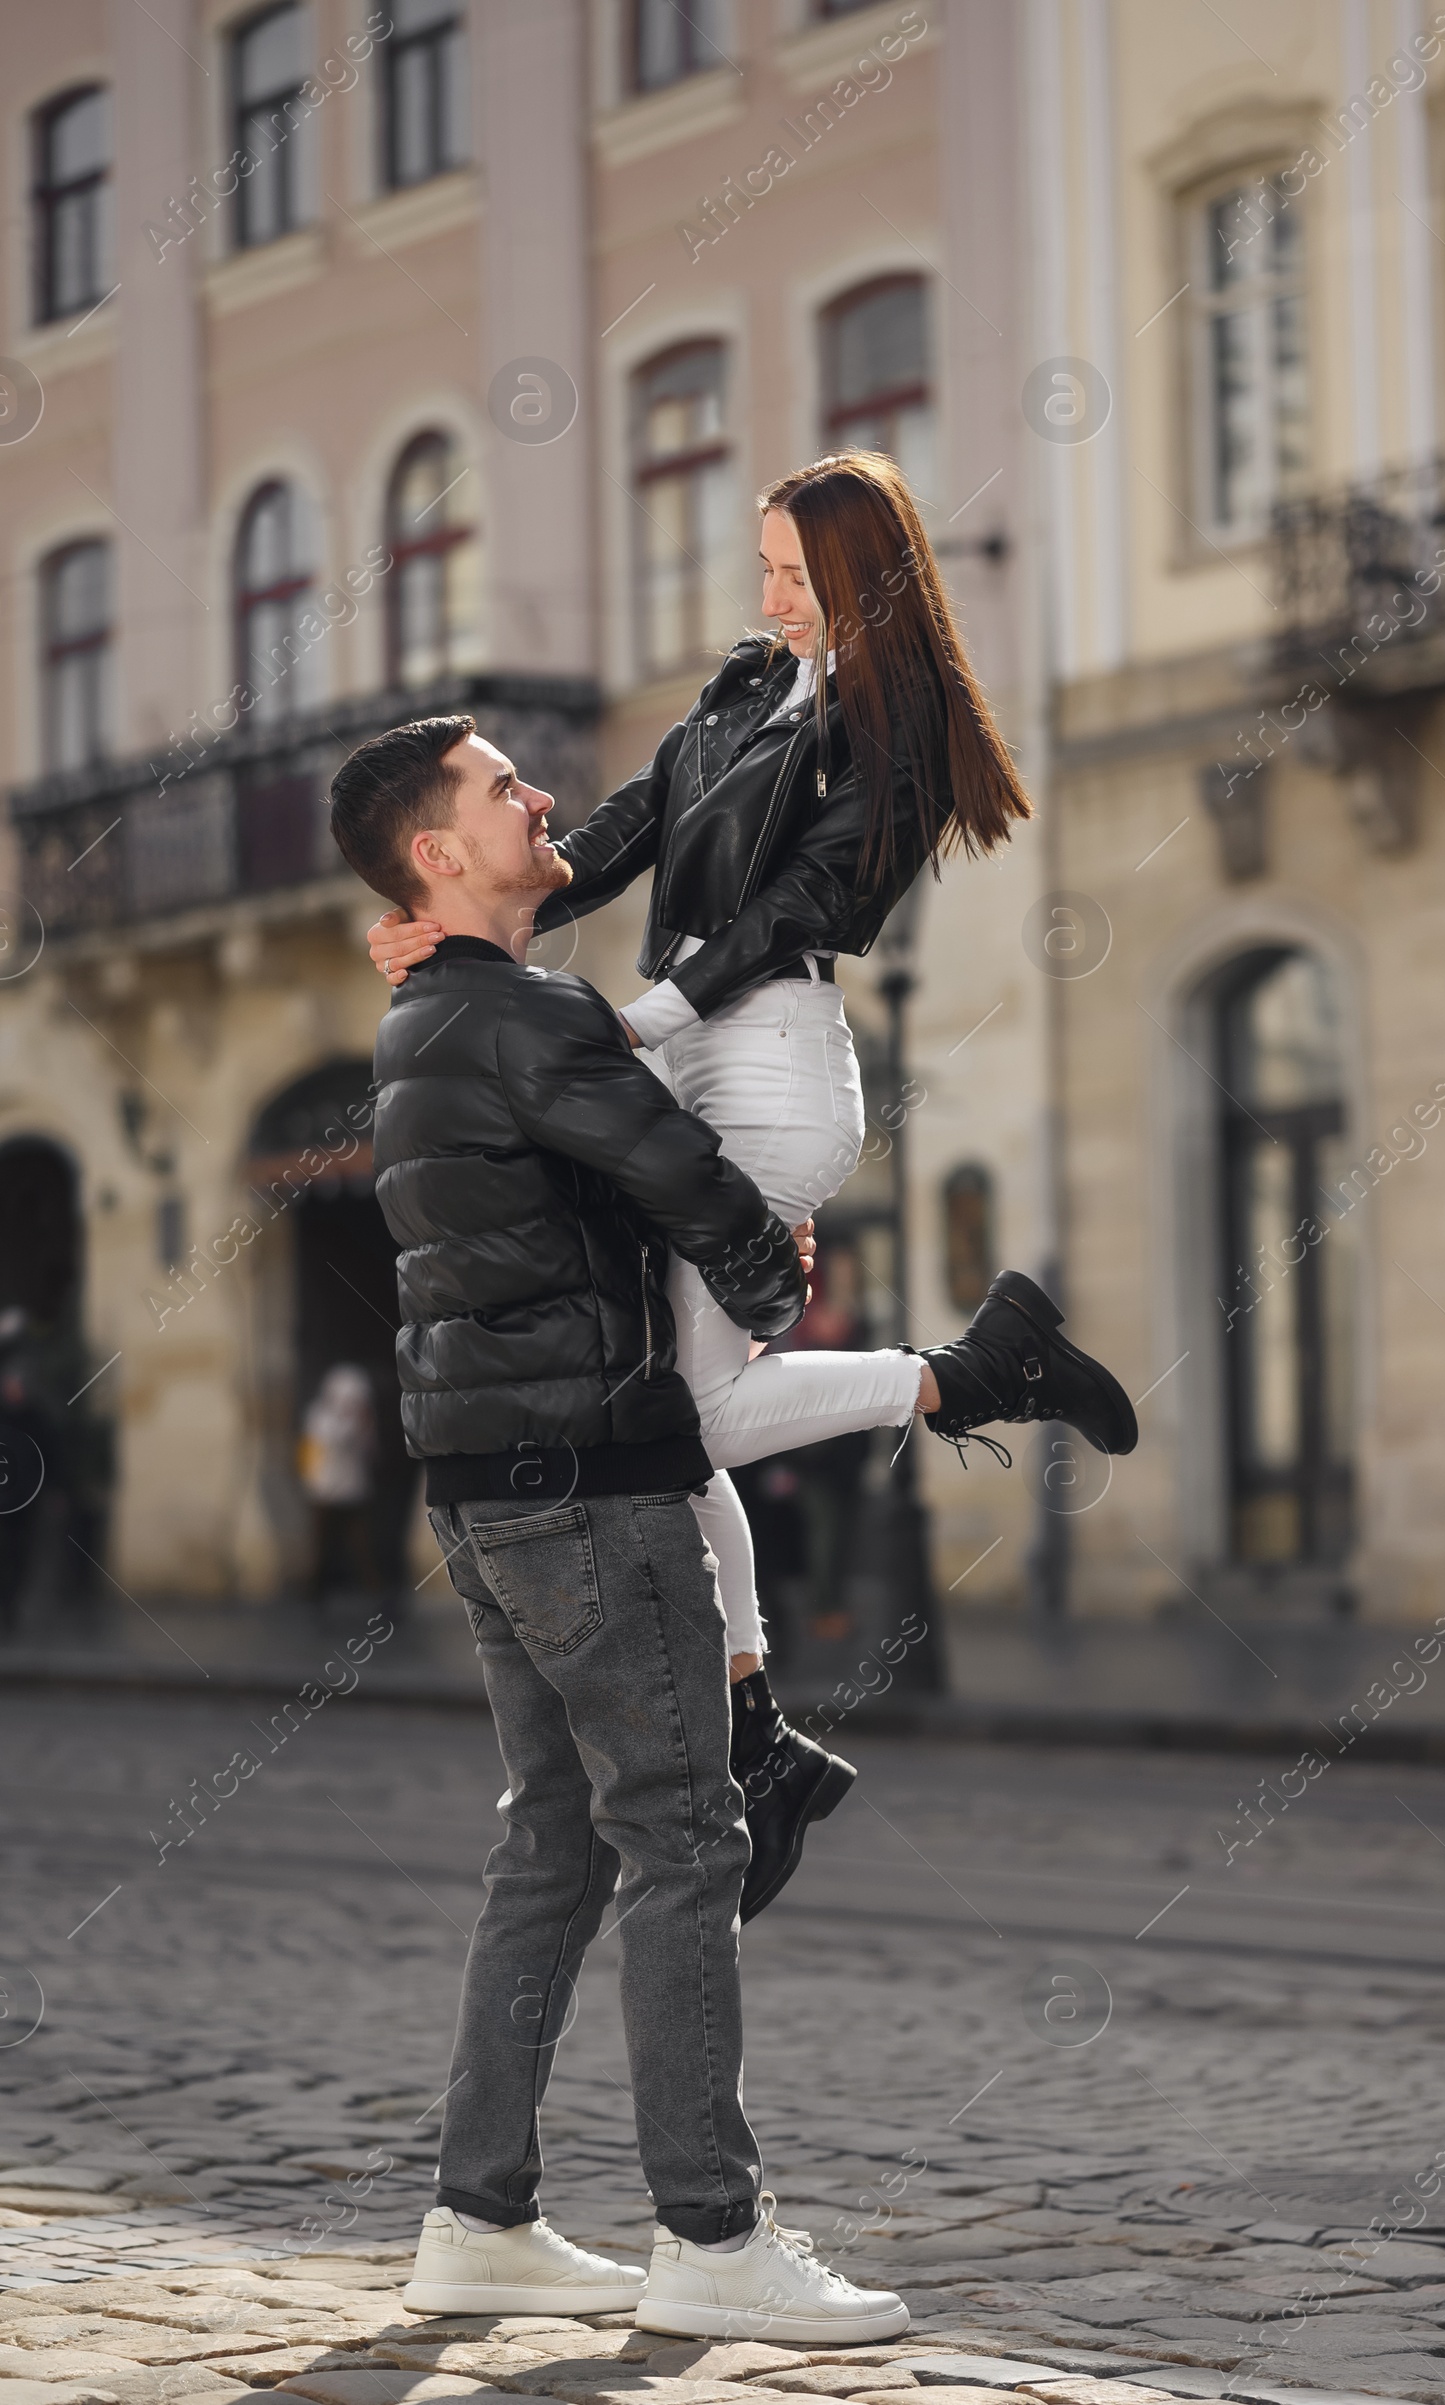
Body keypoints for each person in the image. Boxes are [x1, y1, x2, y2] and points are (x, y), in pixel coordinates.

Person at [329, 712, 1134, 2331]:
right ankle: (711, 2242)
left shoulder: (426, 1021)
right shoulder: (532, 1015)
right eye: (503, 788)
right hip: (600, 1491)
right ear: (437, 854)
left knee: (553, 1843)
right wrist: (770, 1284)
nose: (538, 795)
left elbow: (599, 1184)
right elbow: (691, 1179)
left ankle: (477, 2217)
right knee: (691, 1842)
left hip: (487, 1491)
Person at [366, 451, 1124, 1909]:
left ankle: (970, 1375)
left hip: (766, 1058)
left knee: (691, 1407)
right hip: (680, 1048)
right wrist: (459, 920)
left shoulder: (890, 730)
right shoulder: (734, 692)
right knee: (667, 1420)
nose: (770, 595)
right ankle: (761, 1729)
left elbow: (803, 906)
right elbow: (619, 835)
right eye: (765, 566)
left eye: (796, 573)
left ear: (863, 578)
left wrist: (646, 1014)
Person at [298, 1362, 380, 1610]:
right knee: (321, 1542)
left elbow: (369, 1449)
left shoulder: (360, 1420)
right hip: (324, 1489)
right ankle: (315, 1592)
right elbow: (328, 1441)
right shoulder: (319, 1415)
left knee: (361, 1542)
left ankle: (373, 1590)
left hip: (353, 1488)